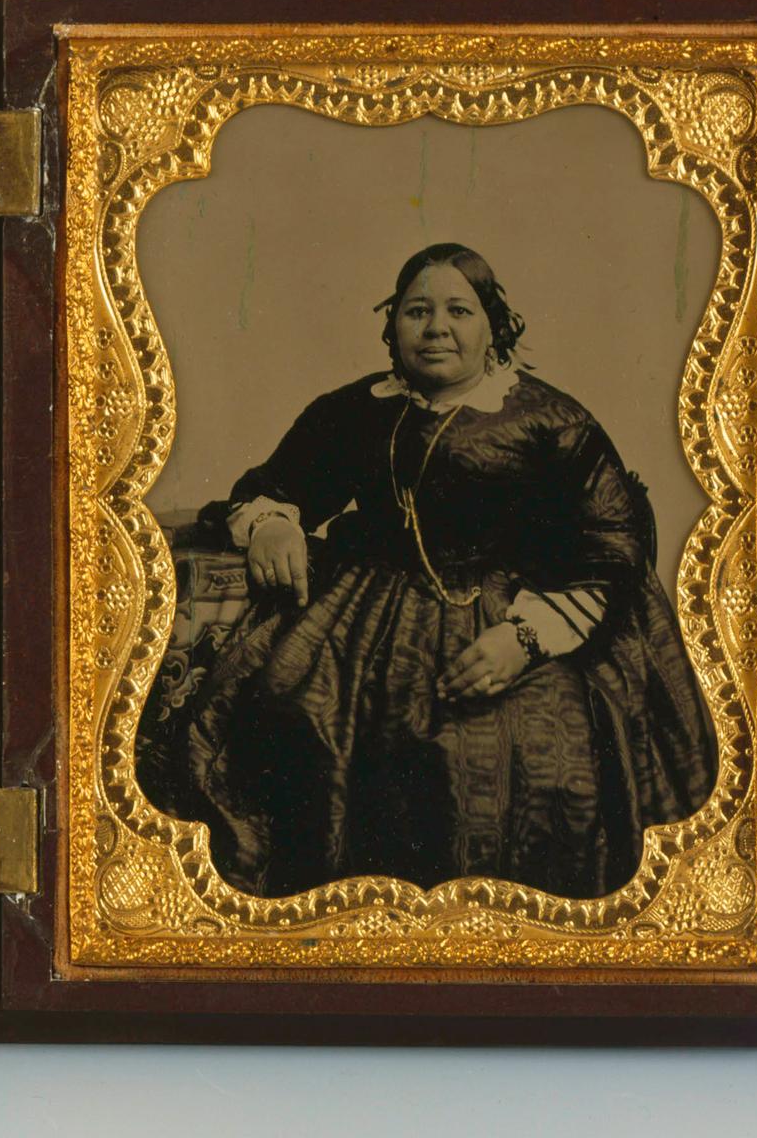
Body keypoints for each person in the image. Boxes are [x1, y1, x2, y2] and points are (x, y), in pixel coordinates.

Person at [143, 243, 718, 900]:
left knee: (533, 760)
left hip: (527, 614)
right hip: (368, 612)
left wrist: (524, 638)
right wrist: (275, 522)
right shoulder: (356, 409)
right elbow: (274, 484)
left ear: (493, 328)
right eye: (417, 311)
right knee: (291, 716)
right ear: (392, 329)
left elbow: (611, 544)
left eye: (458, 310)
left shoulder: (550, 419)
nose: (436, 327)